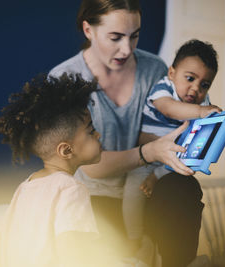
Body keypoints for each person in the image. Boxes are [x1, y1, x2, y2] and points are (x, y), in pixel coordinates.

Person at [48, 1, 204, 266]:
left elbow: (171, 125)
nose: (127, 49)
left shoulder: (154, 69)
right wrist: (149, 152)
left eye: (135, 36)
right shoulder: (64, 79)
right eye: (115, 37)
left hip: (146, 187)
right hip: (94, 195)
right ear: (88, 30)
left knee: (184, 188)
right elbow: (92, 167)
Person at [0, 74, 113, 267]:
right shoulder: (71, 189)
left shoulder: (26, 186)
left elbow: (5, 239)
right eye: (91, 131)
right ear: (66, 150)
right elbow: (72, 250)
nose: (98, 134)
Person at [123, 39, 221, 251]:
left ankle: (156, 178)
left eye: (204, 85)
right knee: (132, 192)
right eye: (190, 78)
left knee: (185, 171)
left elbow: (200, 132)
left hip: (170, 162)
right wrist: (201, 112)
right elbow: (168, 109)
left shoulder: (202, 103)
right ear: (171, 73)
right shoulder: (163, 89)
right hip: (146, 158)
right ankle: (134, 239)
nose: (195, 88)